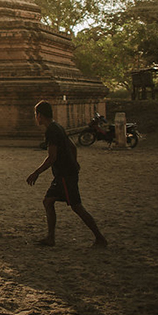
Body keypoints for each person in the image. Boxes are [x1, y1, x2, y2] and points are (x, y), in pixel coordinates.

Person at [27, 101, 108, 247]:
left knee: (77, 206)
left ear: (39, 115)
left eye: (36, 115)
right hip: (65, 173)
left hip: (64, 175)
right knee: (48, 201)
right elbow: (72, 145)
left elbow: (52, 157)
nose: (35, 118)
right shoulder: (57, 126)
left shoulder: (51, 130)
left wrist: (36, 172)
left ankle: (99, 237)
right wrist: (74, 161)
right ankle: (50, 237)